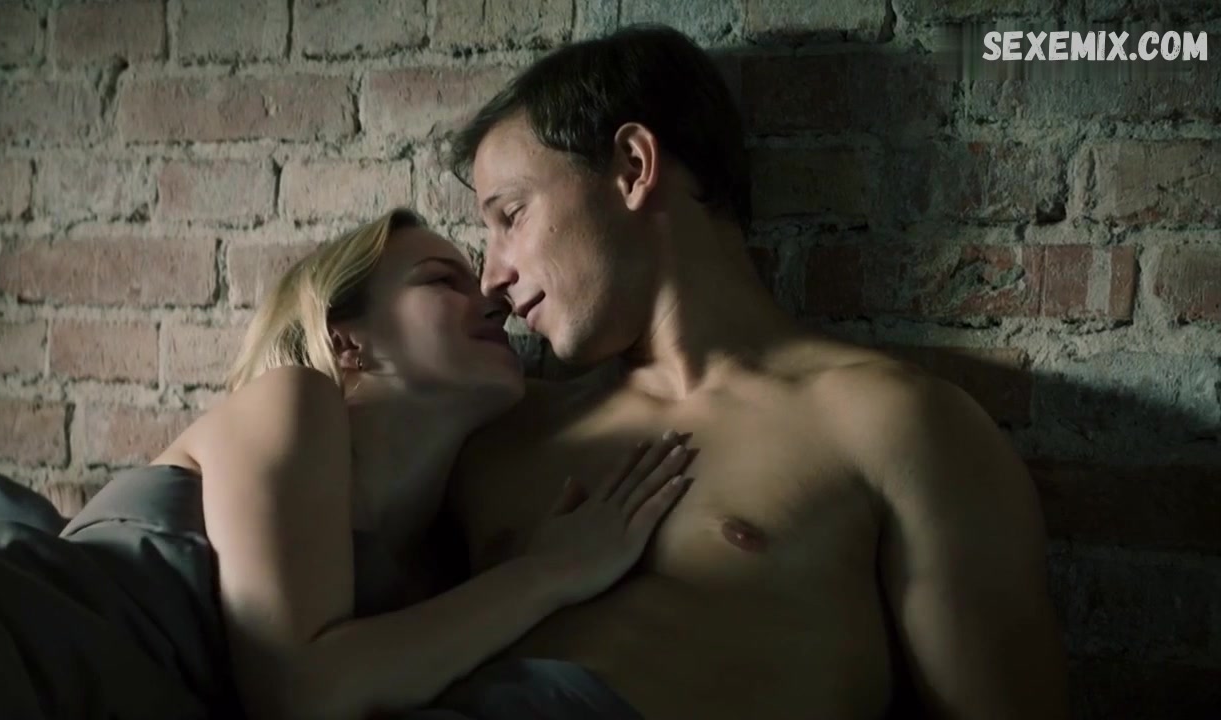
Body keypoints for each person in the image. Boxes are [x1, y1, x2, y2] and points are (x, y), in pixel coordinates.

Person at [441, 24, 1071, 720]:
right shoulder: (498, 437)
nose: (492, 277)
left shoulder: (890, 425)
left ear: (632, 165)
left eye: (512, 215)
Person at [145, 208, 692, 720]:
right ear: (345, 341)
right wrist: (550, 571)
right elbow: (299, 692)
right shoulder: (292, 396)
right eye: (442, 280)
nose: (495, 301)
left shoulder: (428, 574)